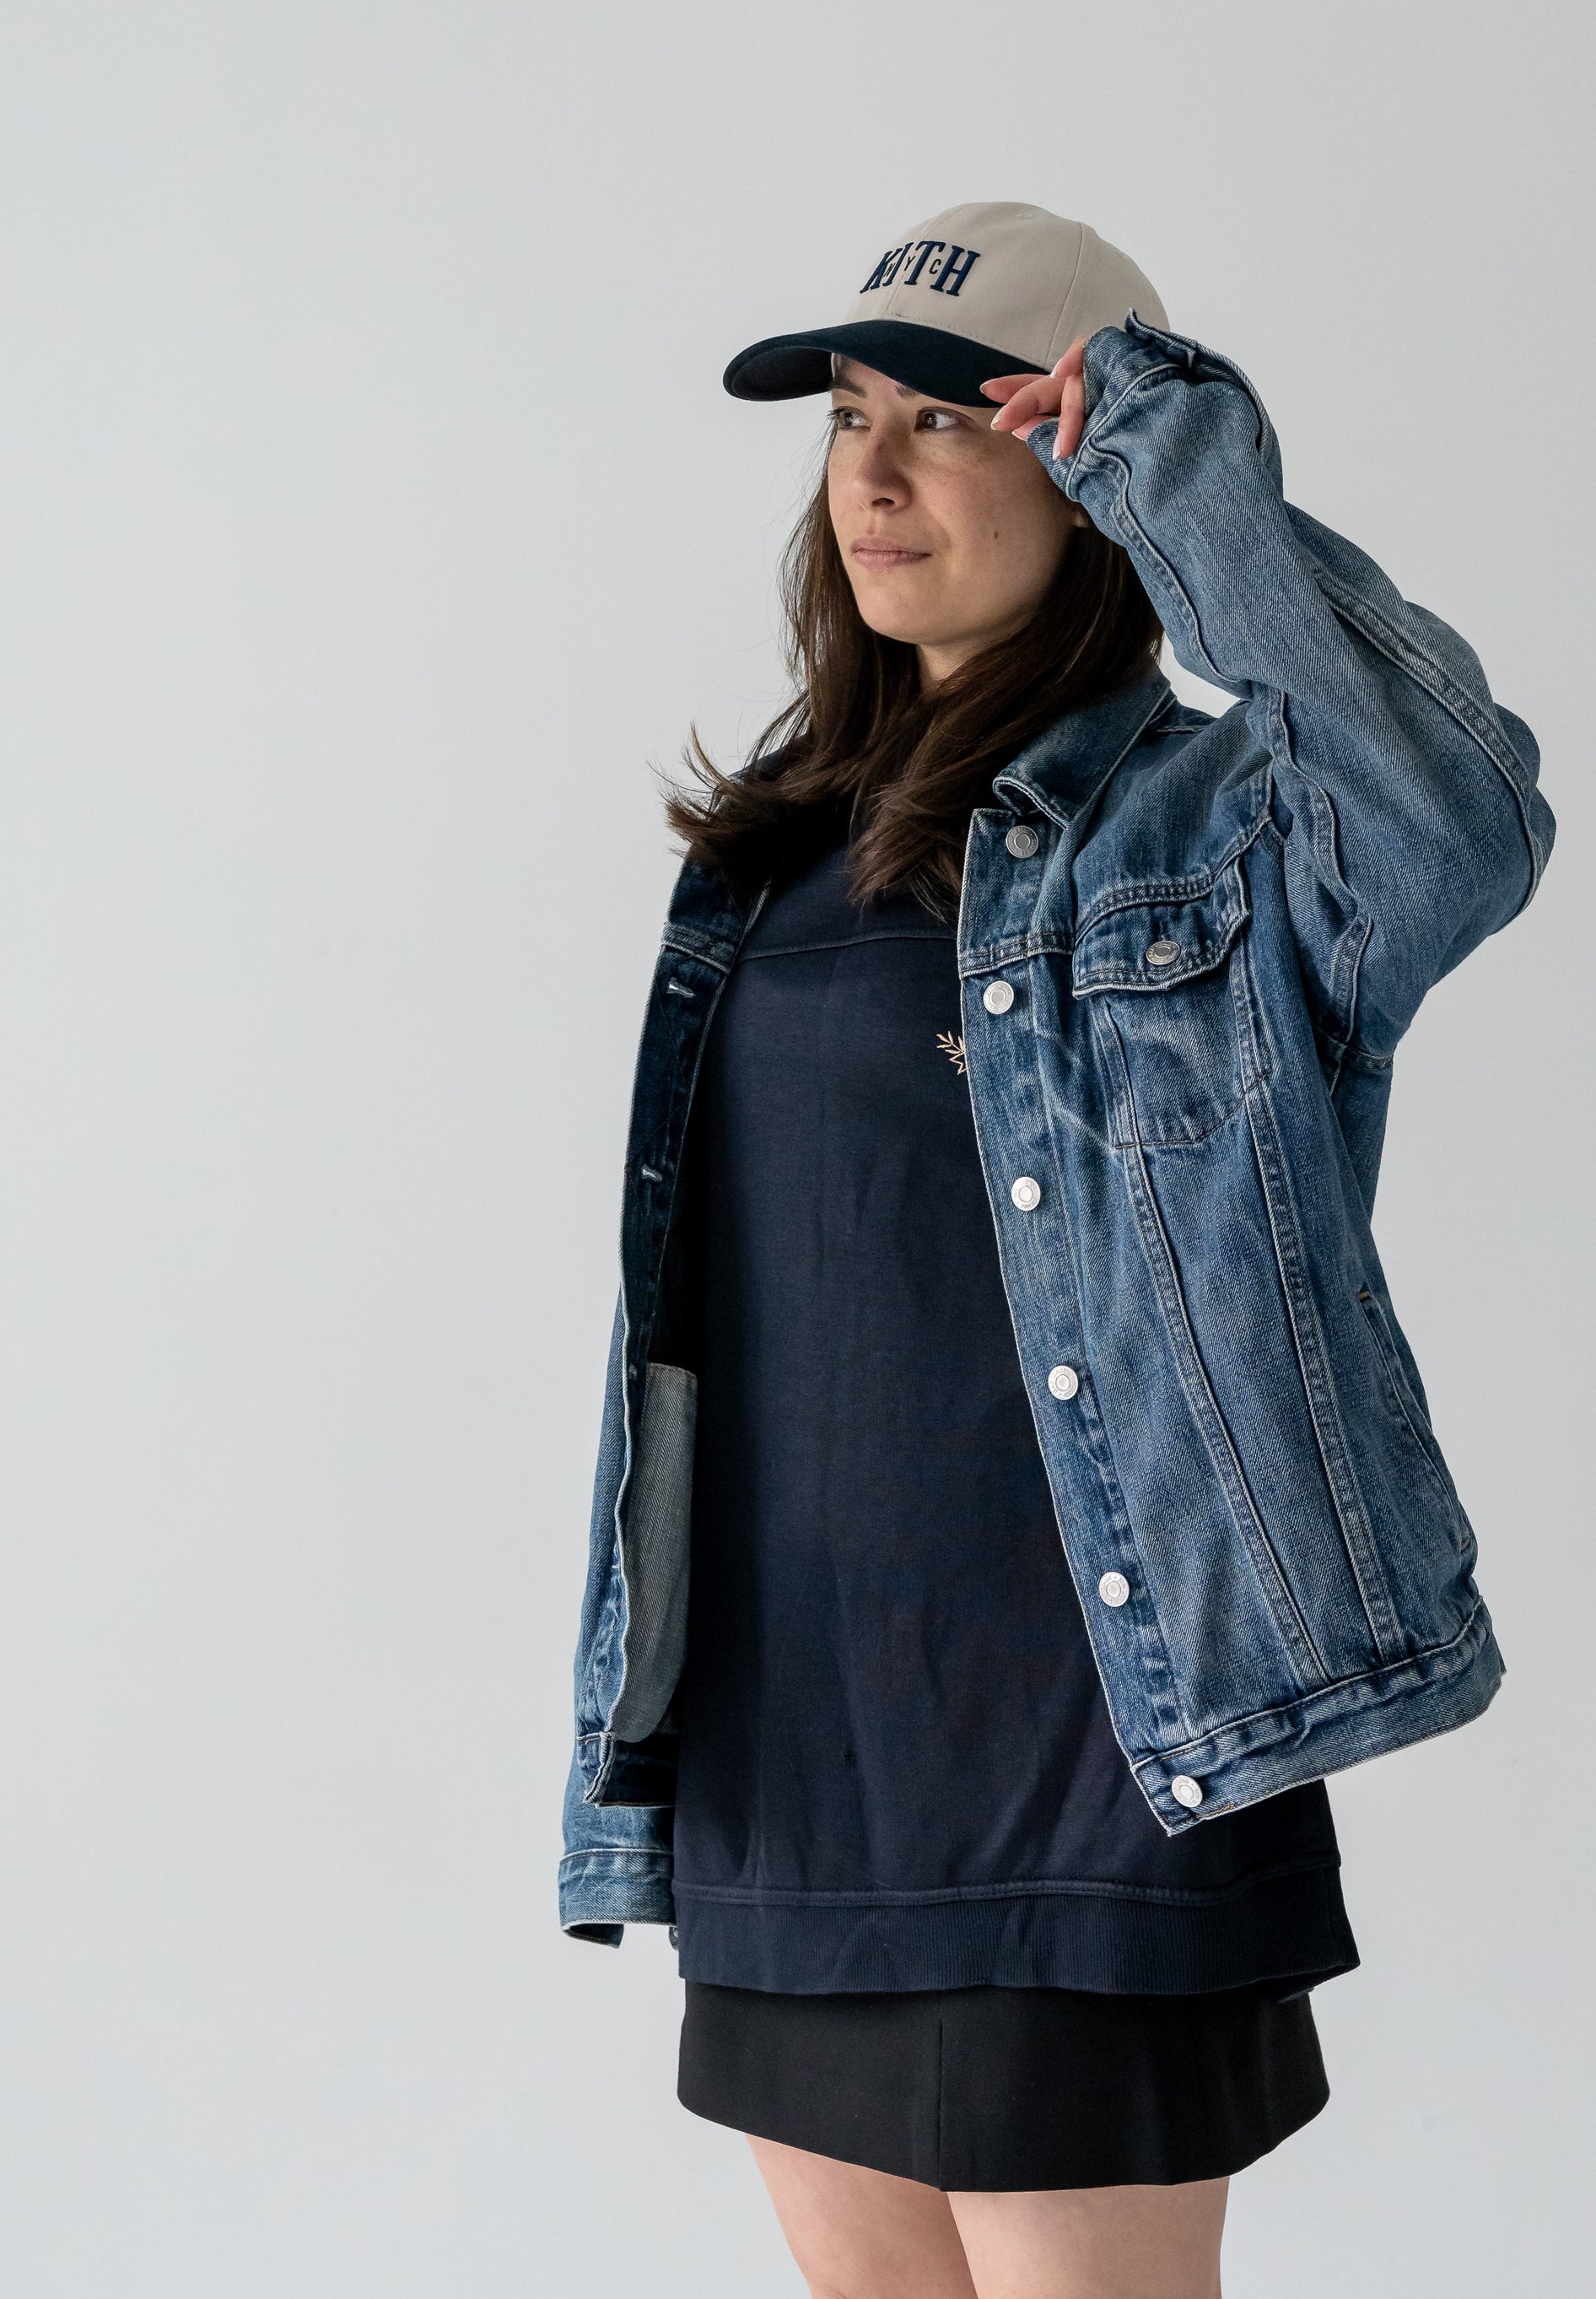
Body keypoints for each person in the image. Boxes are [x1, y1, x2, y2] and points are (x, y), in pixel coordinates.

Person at [556, 202, 1553, 2299]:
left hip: (1097, 1752)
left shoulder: (1220, 828)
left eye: (955, 423)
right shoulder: (763, 857)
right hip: (789, 1757)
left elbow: (1464, 816)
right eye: (847, 420)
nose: (878, 475)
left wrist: (1179, 462)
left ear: (1085, 471)